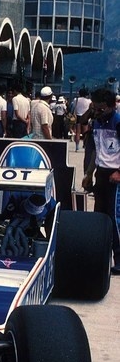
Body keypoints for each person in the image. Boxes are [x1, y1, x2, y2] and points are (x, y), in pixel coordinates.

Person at [81, 88, 120, 275]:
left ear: (111, 106)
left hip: (116, 176)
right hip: (101, 174)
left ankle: (119, 258)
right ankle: (99, 255)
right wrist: (89, 174)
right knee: (99, 215)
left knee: (114, 218)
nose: (97, 111)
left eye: (100, 108)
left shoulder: (118, 122)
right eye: (95, 107)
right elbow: (96, 150)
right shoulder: (96, 123)